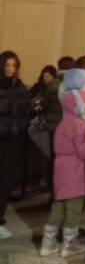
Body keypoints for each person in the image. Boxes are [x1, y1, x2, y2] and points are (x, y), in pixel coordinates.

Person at [40, 88, 85, 258]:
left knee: (58, 207)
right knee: (74, 208)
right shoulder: (80, 125)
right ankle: (69, 245)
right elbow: (83, 152)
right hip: (75, 172)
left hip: (60, 170)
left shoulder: (63, 123)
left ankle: (47, 244)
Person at [0, 52, 30, 239]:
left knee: (5, 182)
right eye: (6, 65)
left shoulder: (20, 88)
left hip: (13, 140)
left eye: (13, 65)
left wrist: (22, 126)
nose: (10, 69)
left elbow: (25, 113)